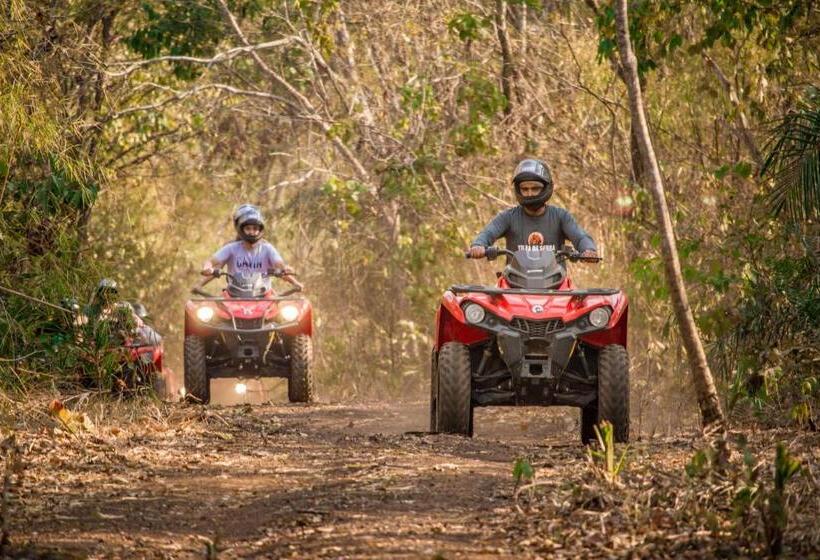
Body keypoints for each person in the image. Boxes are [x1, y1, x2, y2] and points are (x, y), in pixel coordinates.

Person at [467, 158, 598, 259]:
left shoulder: (560, 216)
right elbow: (488, 233)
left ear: (546, 188)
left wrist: (588, 250)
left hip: (556, 286)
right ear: (518, 190)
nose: (530, 193)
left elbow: (580, 237)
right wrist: (478, 246)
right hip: (513, 286)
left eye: (535, 188)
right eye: (525, 189)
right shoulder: (508, 217)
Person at [201, 204, 303, 292]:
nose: (252, 232)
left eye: (255, 229)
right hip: (233, 295)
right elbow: (211, 262)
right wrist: (207, 268)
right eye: (248, 229)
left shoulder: (267, 248)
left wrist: (287, 271)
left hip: (264, 294)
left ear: (260, 230)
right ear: (240, 229)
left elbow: (279, 265)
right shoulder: (231, 248)